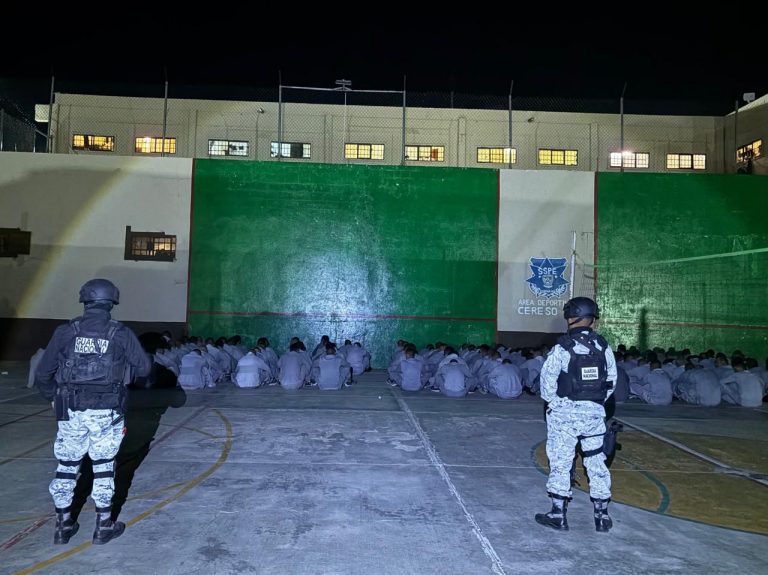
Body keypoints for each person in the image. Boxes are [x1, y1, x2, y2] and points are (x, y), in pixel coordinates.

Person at [34, 278, 151, 545]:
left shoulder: (65, 332)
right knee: (103, 468)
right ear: (111, 302)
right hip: (106, 412)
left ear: (85, 301)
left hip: (71, 410)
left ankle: (63, 526)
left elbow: (43, 373)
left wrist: (53, 397)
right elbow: (144, 369)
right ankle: (103, 526)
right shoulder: (119, 333)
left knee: (66, 467)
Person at [535, 296, 616, 533]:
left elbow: (546, 383)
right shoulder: (603, 346)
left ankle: (558, 514)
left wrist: (557, 405)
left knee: (561, 461)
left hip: (564, 415)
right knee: (596, 461)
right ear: (592, 319)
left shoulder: (562, 348)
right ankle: (602, 515)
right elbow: (611, 382)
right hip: (594, 414)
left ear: (571, 318)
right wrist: (595, 403)